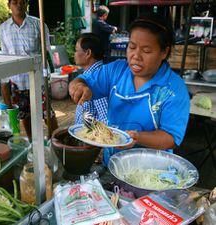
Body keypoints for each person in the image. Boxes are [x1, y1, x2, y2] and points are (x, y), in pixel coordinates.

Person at [69, 12, 190, 166]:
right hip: (112, 164)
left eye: (146, 51)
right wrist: (78, 86)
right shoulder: (116, 71)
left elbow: (171, 138)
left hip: (152, 171)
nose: (135, 56)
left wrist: (138, 137)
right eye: (131, 47)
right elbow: (83, 80)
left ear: (164, 52)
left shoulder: (173, 89)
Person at [0, 0, 58, 139]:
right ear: (9, 5)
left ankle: (56, 142)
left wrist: (47, 75)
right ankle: (33, 142)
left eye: (22, 2)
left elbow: (47, 51)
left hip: (38, 79)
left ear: (26, 5)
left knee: (47, 113)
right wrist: (5, 80)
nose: (18, 5)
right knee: (25, 114)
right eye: (15, 2)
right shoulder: (3, 28)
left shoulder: (38, 24)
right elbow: (5, 55)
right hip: (18, 80)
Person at [73, 33, 108, 125]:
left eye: (76, 50)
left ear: (88, 53)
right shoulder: (89, 74)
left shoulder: (98, 78)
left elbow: (106, 118)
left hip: (92, 137)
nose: (75, 54)